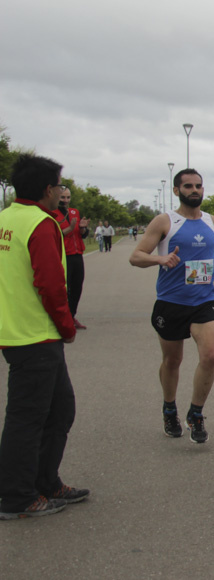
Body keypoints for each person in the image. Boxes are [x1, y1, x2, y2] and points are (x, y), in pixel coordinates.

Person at [0, 154, 88, 520]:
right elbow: (51, 285)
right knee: (27, 418)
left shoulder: (6, 219)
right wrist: (66, 326)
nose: (61, 193)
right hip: (35, 336)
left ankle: (45, 481)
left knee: (59, 409)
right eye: (59, 186)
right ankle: (18, 497)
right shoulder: (41, 223)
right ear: (48, 189)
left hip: (18, 332)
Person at [129, 168, 214, 444]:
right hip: (171, 302)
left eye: (199, 185)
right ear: (177, 191)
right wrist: (160, 260)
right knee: (173, 361)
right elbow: (136, 256)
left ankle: (196, 414)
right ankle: (169, 408)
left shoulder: (212, 222)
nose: (195, 190)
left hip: (204, 301)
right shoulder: (165, 221)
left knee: (210, 355)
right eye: (188, 186)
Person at [54, 186, 88, 329]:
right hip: (63, 255)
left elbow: (82, 235)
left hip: (77, 254)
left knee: (77, 287)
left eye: (68, 197)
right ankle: (62, 318)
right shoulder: (52, 213)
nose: (66, 200)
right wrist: (69, 228)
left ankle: (71, 316)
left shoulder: (75, 212)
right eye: (63, 197)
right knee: (64, 288)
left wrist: (82, 228)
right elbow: (56, 235)